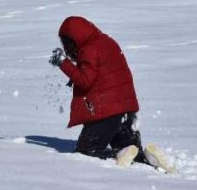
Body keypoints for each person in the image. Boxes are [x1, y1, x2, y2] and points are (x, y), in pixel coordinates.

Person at [49, 16, 174, 172]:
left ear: (73, 39)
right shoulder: (106, 41)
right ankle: (149, 158)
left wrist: (63, 62)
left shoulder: (90, 49)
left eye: (66, 43)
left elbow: (85, 80)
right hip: (126, 109)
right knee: (131, 151)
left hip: (106, 112)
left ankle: (118, 154)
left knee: (86, 151)